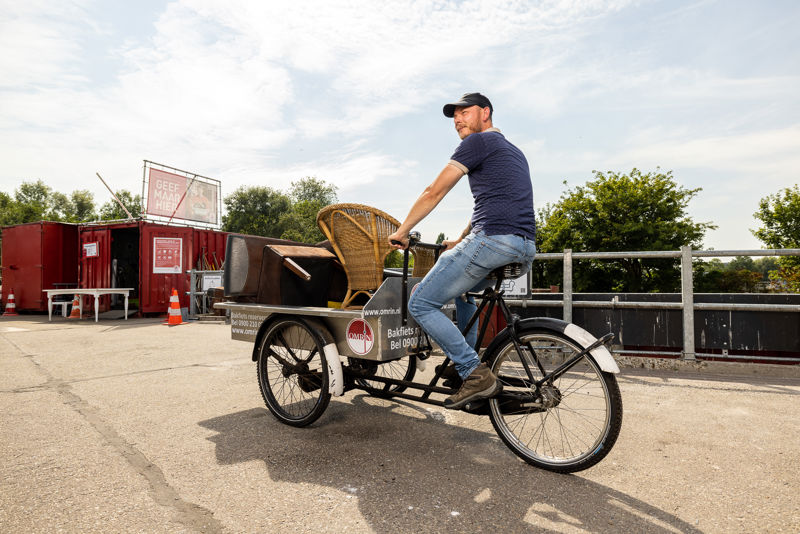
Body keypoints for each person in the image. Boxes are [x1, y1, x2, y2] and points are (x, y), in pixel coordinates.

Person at [388, 92, 537, 409]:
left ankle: (473, 372)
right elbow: (490, 206)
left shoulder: (478, 143)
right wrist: (459, 241)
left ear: (485, 113)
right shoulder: (513, 152)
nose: (457, 119)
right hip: (524, 247)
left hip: (493, 241)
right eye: (454, 115)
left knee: (421, 302)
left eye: (464, 112)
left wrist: (402, 231)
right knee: (464, 290)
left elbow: (434, 191)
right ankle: (463, 365)